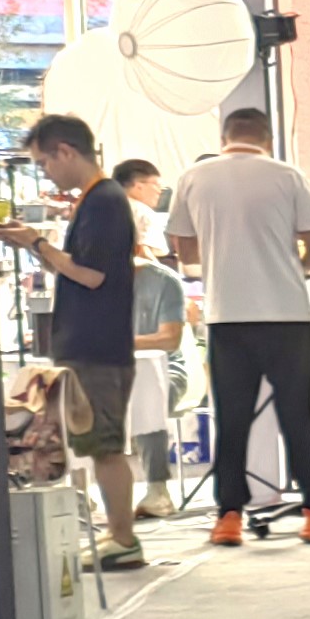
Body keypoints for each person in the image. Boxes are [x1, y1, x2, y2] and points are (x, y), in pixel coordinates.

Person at [167, 107, 310, 546]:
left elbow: (186, 253)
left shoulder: (193, 178)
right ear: (267, 138)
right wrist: (290, 268)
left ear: (225, 137)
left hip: (226, 316)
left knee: (232, 418)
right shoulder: (288, 176)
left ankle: (228, 517)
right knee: (296, 414)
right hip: (286, 315)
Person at [0, 116, 143, 568]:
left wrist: (38, 244)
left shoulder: (104, 201)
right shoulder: (96, 200)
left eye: (44, 163)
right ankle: (118, 534)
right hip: (90, 343)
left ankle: (124, 538)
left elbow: (91, 275)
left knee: (105, 446)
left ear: (65, 151)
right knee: (97, 445)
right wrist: (34, 244)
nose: (46, 173)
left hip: (98, 346)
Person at [126, 219, 187, 518]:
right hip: (112, 371)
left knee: (146, 391)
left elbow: (170, 339)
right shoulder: (89, 283)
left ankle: (157, 488)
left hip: (167, 370)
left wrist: (118, 343)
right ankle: (79, 488)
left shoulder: (163, 281)